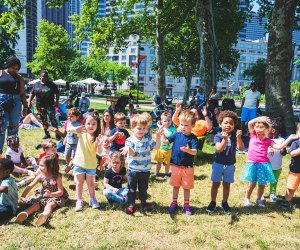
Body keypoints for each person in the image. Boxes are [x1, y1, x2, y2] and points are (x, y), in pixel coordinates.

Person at [240, 116, 296, 207]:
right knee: (252, 183)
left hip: (263, 164)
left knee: (262, 184)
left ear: (267, 131)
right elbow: (250, 123)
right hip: (253, 164)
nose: (261, 136)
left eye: (263, 134)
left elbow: (279, 147)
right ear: (255, 132)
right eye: (259, 134)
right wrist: (260, 118)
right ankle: (247, 198)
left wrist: (289, 139)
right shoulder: (253, 135)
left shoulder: (268, 140)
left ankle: (259, 199)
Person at [121, 114, 162, 214]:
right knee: (131, 189)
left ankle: (143, 203)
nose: (142, 131)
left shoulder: (147, 140)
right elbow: (132, 153)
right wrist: (128, 149)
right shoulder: (129, 140)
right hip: (133, 170)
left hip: (145, 170)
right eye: (139, 128)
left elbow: (156, 147)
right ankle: (131, 204)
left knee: (143, 188)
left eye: (144, 128)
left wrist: (157, 137)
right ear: (132, 128)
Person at [206, 111, 244, 215]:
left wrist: (239, 138)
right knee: (215, 184)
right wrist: (224, 139)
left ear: (234, 125)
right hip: (218, 164)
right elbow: (219, 149)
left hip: (230, 165)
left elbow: (241, 148)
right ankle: (213, 202)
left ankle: (224, 202)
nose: (228, 125)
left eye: (231, 124)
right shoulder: (218, 136)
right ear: (220, 124)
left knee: (227, 185)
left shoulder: (234, 136)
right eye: (226, 123)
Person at [15, 155, 69, 226]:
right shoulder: (41, 175)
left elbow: (61, 192)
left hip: (56, 196)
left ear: (50, 167)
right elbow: (30, 185)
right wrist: (23, 196)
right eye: (39, 165)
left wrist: (51, 195)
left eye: (42, 165)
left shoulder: (57, 177)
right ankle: (24, 214)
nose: (39, 167)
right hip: (44, 195)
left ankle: (44, 215)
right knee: (35, 205)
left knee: (50, 205)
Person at [164, 110, 198, 216]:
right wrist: (161, 135)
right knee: (176, 186)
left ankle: (186, 205)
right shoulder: (177, 135)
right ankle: (174, 202)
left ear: (192, 126)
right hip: (175, 166)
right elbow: (166, 141)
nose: (183, 127)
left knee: (186, 187)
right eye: (182, 124)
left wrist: (188, 150)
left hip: (187, 168)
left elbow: (195, 151)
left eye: (186, 125)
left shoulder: (193, 138)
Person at [69, 111, 102, 211]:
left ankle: (92, 199)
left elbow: (99, 153)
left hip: (91, 165)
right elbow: (68, 129)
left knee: (91, 184)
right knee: (79, 183)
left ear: (97, 125)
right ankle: (79, 200)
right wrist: (75, 129)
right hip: (79, 164)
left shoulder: (98, 137)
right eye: (88, 123)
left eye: (93, 124)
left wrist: (99, 145)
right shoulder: (81, 132)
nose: (91, 126)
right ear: (84, 124)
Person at [0, 57, 29, 157]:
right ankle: (0, 154)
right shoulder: (0, 73)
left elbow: (22, 93)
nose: (15, 70)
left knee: (14, 127)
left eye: (17, 69)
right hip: (2, 101)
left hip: (16, 102)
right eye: (13, 68)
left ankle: (12, 154)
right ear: (8, 65)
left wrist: (25, 107)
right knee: (1, 128)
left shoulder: (19, 78)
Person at [29, 71, 60, 139]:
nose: (45, 77)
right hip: (40, 106)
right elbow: (32, 94)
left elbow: (57, 93)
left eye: (46, 76)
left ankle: (57, 134)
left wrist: (57, 102)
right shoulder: (36, 84)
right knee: (44, 120)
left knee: (53, 120)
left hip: (50, 106)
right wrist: (29, 102)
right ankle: (47, 134)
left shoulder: (52, 84)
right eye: (43, 76)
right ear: (40, 76)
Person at [279, 123, 300, 209]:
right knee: (291, 187)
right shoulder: (296, 143)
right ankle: (287, 201)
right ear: (297, 132)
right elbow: (292, 153)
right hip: (295, 170)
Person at [152, 111, 176, 179]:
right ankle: (156, 172)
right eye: (165, 121)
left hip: (168, 149)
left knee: (167, 163)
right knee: (158, 162)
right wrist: (160, 128)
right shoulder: (161, 128)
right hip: (160, 148)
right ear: (162, 121)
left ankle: (166, 174)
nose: (167, 122)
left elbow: (168, 140)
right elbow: (158, 137)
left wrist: (161, 129)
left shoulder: (173, 130)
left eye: (169, 120)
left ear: (171, 120)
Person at [267, 119, 286, 202]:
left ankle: (272, 193)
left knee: (274, 181)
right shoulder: (266, 139)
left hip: (277, 167)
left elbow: (283, 153)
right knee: (263, 180)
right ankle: (260, 195)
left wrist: (284, 147)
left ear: (273, 130)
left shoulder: (282, 141)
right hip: (266, 165)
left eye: (267, 128)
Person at [64, 108, 82, 173]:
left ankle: (71, 165)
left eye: (71, 116)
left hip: (76, 144)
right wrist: (65, 139)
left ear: (77, 117)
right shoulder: (68, 124)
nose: (69, 118)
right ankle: (67, 164)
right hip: (68, 143)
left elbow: (80, 134)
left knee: (73, 156)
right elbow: (67, 133)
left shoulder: (79, 125)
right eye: (69, 116)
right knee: (66, 155)